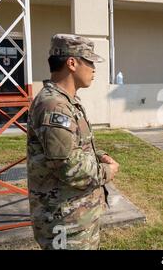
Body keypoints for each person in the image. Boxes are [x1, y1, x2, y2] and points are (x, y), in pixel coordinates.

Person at [27, 34, 119, 250]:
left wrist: (98, 155)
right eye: (90, 62)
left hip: (74, 218)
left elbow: (72, 146)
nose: (94, 69)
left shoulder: (66, 101)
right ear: (72, 63)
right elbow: (68, 166)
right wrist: (107, 170)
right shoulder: (54, 106)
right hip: (64, 223)